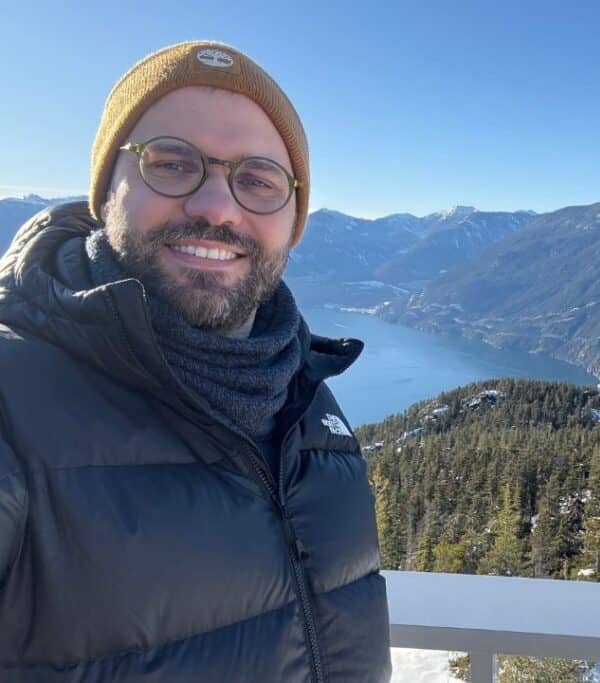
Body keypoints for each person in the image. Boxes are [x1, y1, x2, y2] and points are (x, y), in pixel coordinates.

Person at [0, 41, 391, 681]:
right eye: (171, 163)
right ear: (105, 192)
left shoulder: (303, 394)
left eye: (258, 180)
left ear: (293, 220)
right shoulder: (11, 400)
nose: (216, 206)